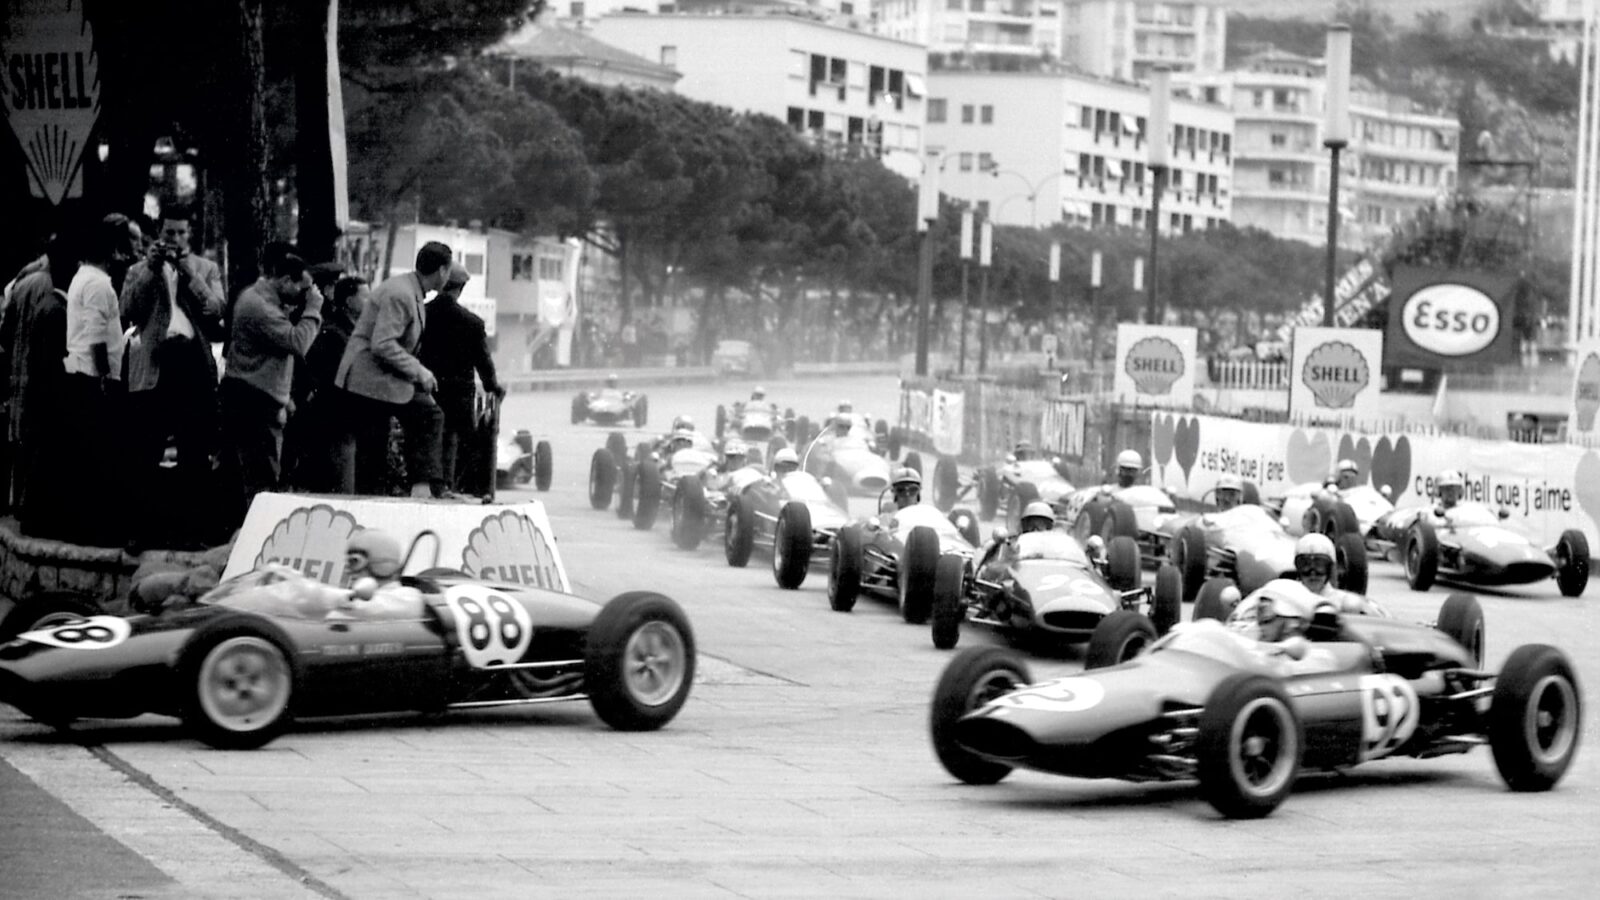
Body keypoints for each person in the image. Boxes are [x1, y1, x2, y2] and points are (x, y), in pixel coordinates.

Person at [334, 241, 450, 498]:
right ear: (442, 270)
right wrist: (419, 372)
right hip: (369, 379)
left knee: (374, 451)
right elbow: (383, 344)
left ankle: (404, 490)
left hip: (377, 378)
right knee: (428, 415)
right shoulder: (402, 294)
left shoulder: (409, 290)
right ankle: (423, 486)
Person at [55, 213, 141, 546]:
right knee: (102, 456)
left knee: (91, 455)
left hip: (83, 376)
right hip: (92, 380)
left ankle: (90, 526)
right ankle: (99, 530)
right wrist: (106, 377)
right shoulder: (99, 284)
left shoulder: (84, 277)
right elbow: (96, 336)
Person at [220, 242, 323, 518]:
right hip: (252, 401)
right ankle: (255, 532)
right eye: (302, 289)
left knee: (259, 475)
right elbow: (297, 342)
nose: (304, 295)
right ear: (286, 280)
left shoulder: (263, 299)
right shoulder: (260, 306)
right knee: (261, 480)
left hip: (256, 394)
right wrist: (313, 309)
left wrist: (283, 397)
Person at [0, 233, 73, 532]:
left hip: (18, 367)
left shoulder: (23, 282)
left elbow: (5, 331)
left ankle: (16, 502)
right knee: (36, 441)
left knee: (18, 437)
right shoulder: (54, 290)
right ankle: (28, 505)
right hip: (39, 367)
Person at [419, 263, 502, 496]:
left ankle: (432, 484)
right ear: (461, 288)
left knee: (431, 437)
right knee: (462, 440)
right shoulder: (472, 323)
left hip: (427, 389)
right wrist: (493, 387)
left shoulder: (422, 314)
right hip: (459, 395)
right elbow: (483, 363)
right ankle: (456, 487)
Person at [290, 274, 366, 492]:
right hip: (337, 418)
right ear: (349, 301)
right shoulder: (334, 333)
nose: (371, 302)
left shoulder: (352, 330)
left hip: (344, 417)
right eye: (365, 297)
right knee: (341, 482)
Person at [333, 528, 424, 620]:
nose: (347, 571)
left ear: (381, 563)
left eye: (354, 561)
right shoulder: (354, 607)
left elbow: (370, 606)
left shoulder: (409, 598)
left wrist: (331, 598)